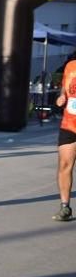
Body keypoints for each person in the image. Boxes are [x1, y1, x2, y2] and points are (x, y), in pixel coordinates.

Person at [52, 54, 76, 221]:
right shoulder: (70, 66)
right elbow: (64, 88)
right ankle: (65, 206)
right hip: (69, 123)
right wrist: (62, 97)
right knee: (64, 164)